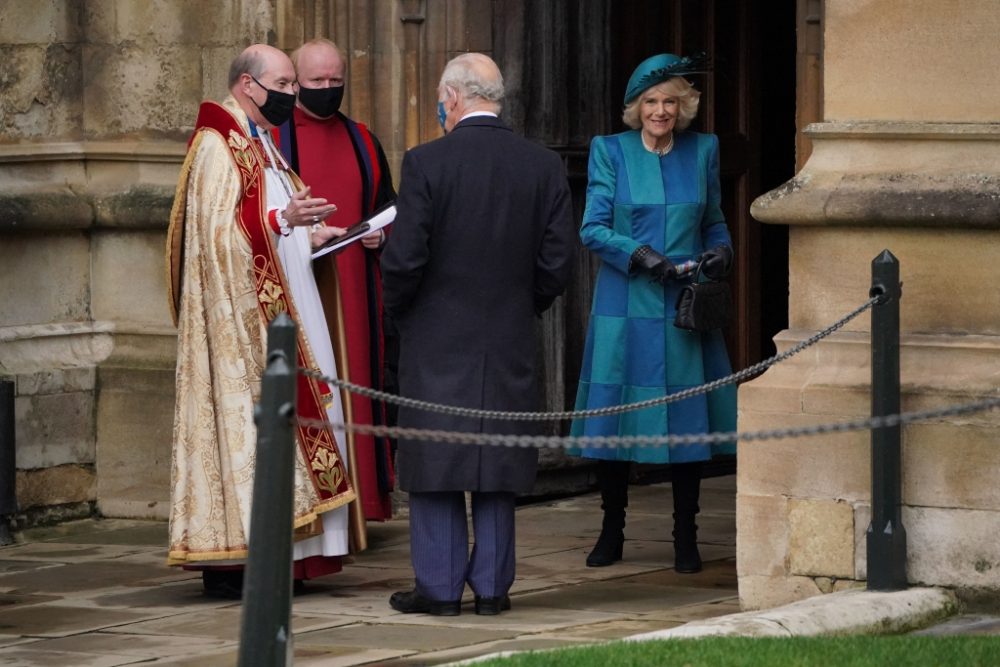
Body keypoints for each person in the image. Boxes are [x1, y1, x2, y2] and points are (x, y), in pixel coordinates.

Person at [380, 53, 575, 616]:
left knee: (437, 462)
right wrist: (524, 306)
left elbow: (404, 259)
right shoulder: (541, 165)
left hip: (437, 337)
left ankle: (439, 589)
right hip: (509, 333)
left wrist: (403, 313)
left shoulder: (426, 162)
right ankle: (492, 589)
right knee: (496, 460)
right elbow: (556, 261)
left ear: (451, 97)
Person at [165, 44, 360, 598]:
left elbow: (273, 224)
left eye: (295, 85)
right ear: (248, 85)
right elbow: (215, 239)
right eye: (285, 84)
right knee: (253, 436)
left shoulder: (261, 145)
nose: (293, 95)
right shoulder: (214, 145)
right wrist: (281, 219)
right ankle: (242, 563)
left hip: (288, 309)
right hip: (244, 333)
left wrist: (310, 232)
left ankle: (297, 558)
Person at [569, 53, 737, 574]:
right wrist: (641, 255)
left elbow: (714, 223)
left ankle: (685, 536)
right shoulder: (610, 152)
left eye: (669, 101)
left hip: (684, 304)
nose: (660, 111)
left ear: (682, 107)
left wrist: (722, 253)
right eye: (650, 102)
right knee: (616, 423)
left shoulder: (703, 150)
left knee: (686, 422)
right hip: (624, 304)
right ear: (635, 106)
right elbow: (592, 227)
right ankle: (611, 530)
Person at [280, 38, 397, 525]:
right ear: (295, 82)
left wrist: (382, 235)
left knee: (358, 389)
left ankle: (364, 504)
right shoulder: (274, 138)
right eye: (316, 82)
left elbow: (390, 206)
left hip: (357, 294)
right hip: (303, 290)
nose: (328, 90)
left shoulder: (364, 140)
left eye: (336, 81)